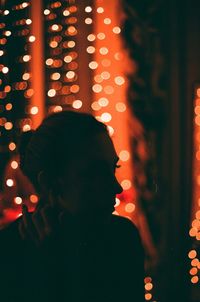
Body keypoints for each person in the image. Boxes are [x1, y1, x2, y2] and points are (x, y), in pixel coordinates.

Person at [0, 110, 144, 302]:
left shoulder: (122, 236)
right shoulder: (9, 252)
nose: (116, 187)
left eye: (113, 168)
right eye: (97, 173)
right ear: (49, 183)